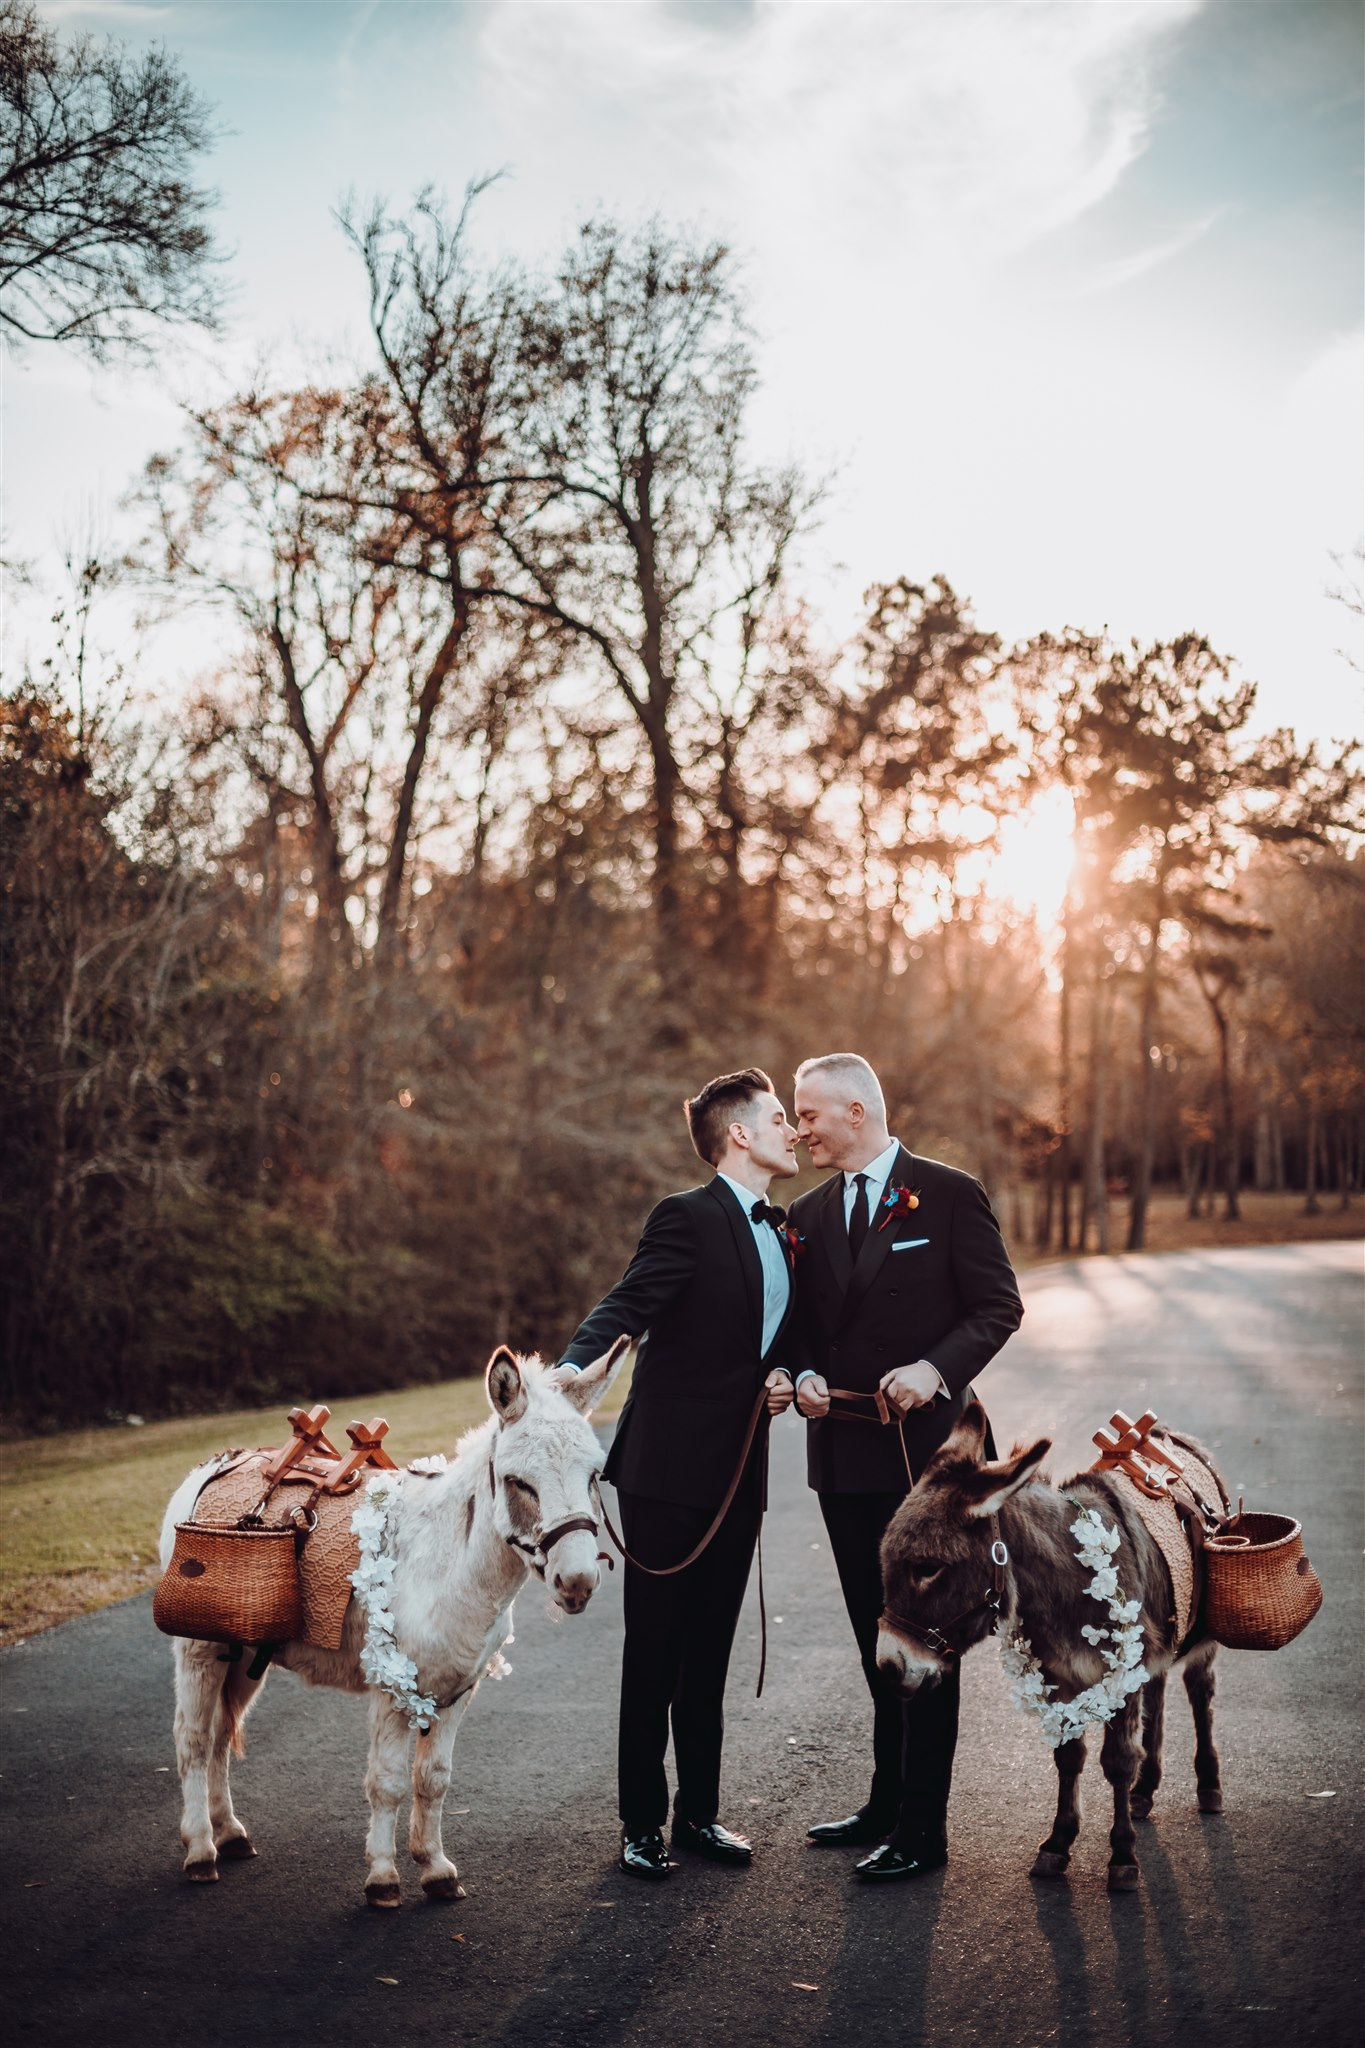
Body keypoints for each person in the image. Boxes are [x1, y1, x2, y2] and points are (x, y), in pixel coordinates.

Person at [556, 1068, 800, 1879]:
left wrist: (787, 1374)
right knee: (654, 1655)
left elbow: (775, 1337)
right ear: (739, 1134)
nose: (790, 1129)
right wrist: (570, 1370)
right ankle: (639, 1823)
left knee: (710, 1655)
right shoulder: (685, 1217)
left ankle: (700, 1814)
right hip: (665, 1472)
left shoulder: (784, 1227)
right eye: (776, 1117)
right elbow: (627, 1304)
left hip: (739, 1473)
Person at [788, 1052, 1023, 1882]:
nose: (799, 1128)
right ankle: (885, 1803)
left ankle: (923, 1832)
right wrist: (802, 1374)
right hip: (843, 1456)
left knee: (926, 1640)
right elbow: (796, 1334)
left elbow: (999, 1304)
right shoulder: (804, 1213)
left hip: (934, 1470)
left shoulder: (948, 1192)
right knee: (872, 1639)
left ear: (856, 1110)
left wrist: (934, 1367)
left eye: (808, 1113)